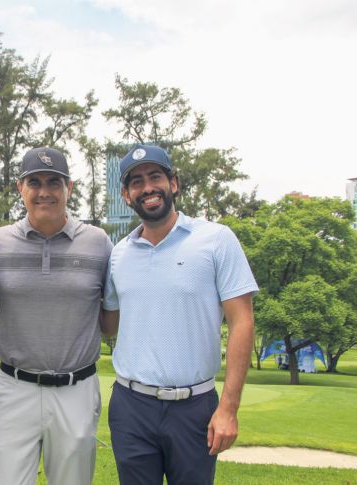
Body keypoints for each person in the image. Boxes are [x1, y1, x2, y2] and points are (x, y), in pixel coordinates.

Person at [101, 144, 258, 485]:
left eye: (155, 177)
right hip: (131, 406)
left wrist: (228, 408)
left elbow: (242, 322)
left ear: (174, 183)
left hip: (194, 407)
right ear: (127, 196)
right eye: (136, 182)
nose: (147, 188)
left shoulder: (216, 239)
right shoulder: (118, 254)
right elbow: (108, 323)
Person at [0, 147, 114, 485]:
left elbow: (113, 315)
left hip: (77, 390)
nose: (44, 192)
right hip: (14, 388)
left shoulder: (99, 243)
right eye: (34, 182)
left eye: (54, 182)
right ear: (19, 188)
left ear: (69, 187)